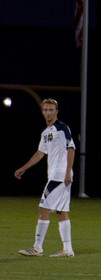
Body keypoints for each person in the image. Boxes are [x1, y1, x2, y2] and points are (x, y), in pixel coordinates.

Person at [14, 98, 76, 257]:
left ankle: (37, 247)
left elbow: (71, 149)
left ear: (56, 111)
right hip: (56, 176)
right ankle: (67, 250)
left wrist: (68, 171)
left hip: (60, 176)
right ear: (42, 112)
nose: (48, 112)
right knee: (61, 211)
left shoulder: (62, 128)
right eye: (46, 110)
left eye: (51, 110)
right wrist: (24, 168)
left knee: (43, 208)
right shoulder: (46, 133)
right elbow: (40, 153)